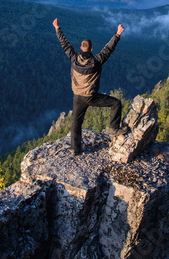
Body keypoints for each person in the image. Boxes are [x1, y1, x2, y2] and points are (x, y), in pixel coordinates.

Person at [53, 18, 129, 156]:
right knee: (116, 103)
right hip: (91, 97)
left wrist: (57, 28)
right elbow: (108, 49)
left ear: (81, 48)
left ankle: (75, 150)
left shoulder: (74, 58)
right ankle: (114, 129)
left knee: (76, 123)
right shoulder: (97, 61)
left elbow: (65, 44)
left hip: (77, 97)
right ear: (91, 49)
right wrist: (117, 34)